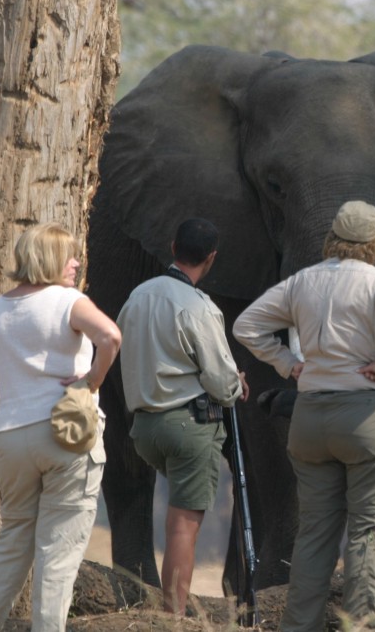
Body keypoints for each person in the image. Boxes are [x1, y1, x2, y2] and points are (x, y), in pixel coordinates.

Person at [233, 200, 375, 631]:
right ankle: (358, 625)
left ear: (331, 241)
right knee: (369, 529)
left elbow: (246, 326)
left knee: (314, 536)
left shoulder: (302, 281)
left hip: (310, 421)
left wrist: (288, 364)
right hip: (367, 416)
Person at [0, 223, 122, 632]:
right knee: (58, 550)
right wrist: (90, 383)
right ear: (48, 260)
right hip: (66, 434)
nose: (76, 262)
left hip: (11, 436)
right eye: (68, 255)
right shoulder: (68, 301)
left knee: (14, 540)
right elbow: (110, 337)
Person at [116, 217, 248, 616]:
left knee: (175, 516)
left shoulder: (137, 295)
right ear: (211, 258)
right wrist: (237, 383)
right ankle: (174, 618)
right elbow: (221, 381)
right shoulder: (200, 307)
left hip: (144, 427)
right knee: (183, 526)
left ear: (173, 247)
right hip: (188, 426)